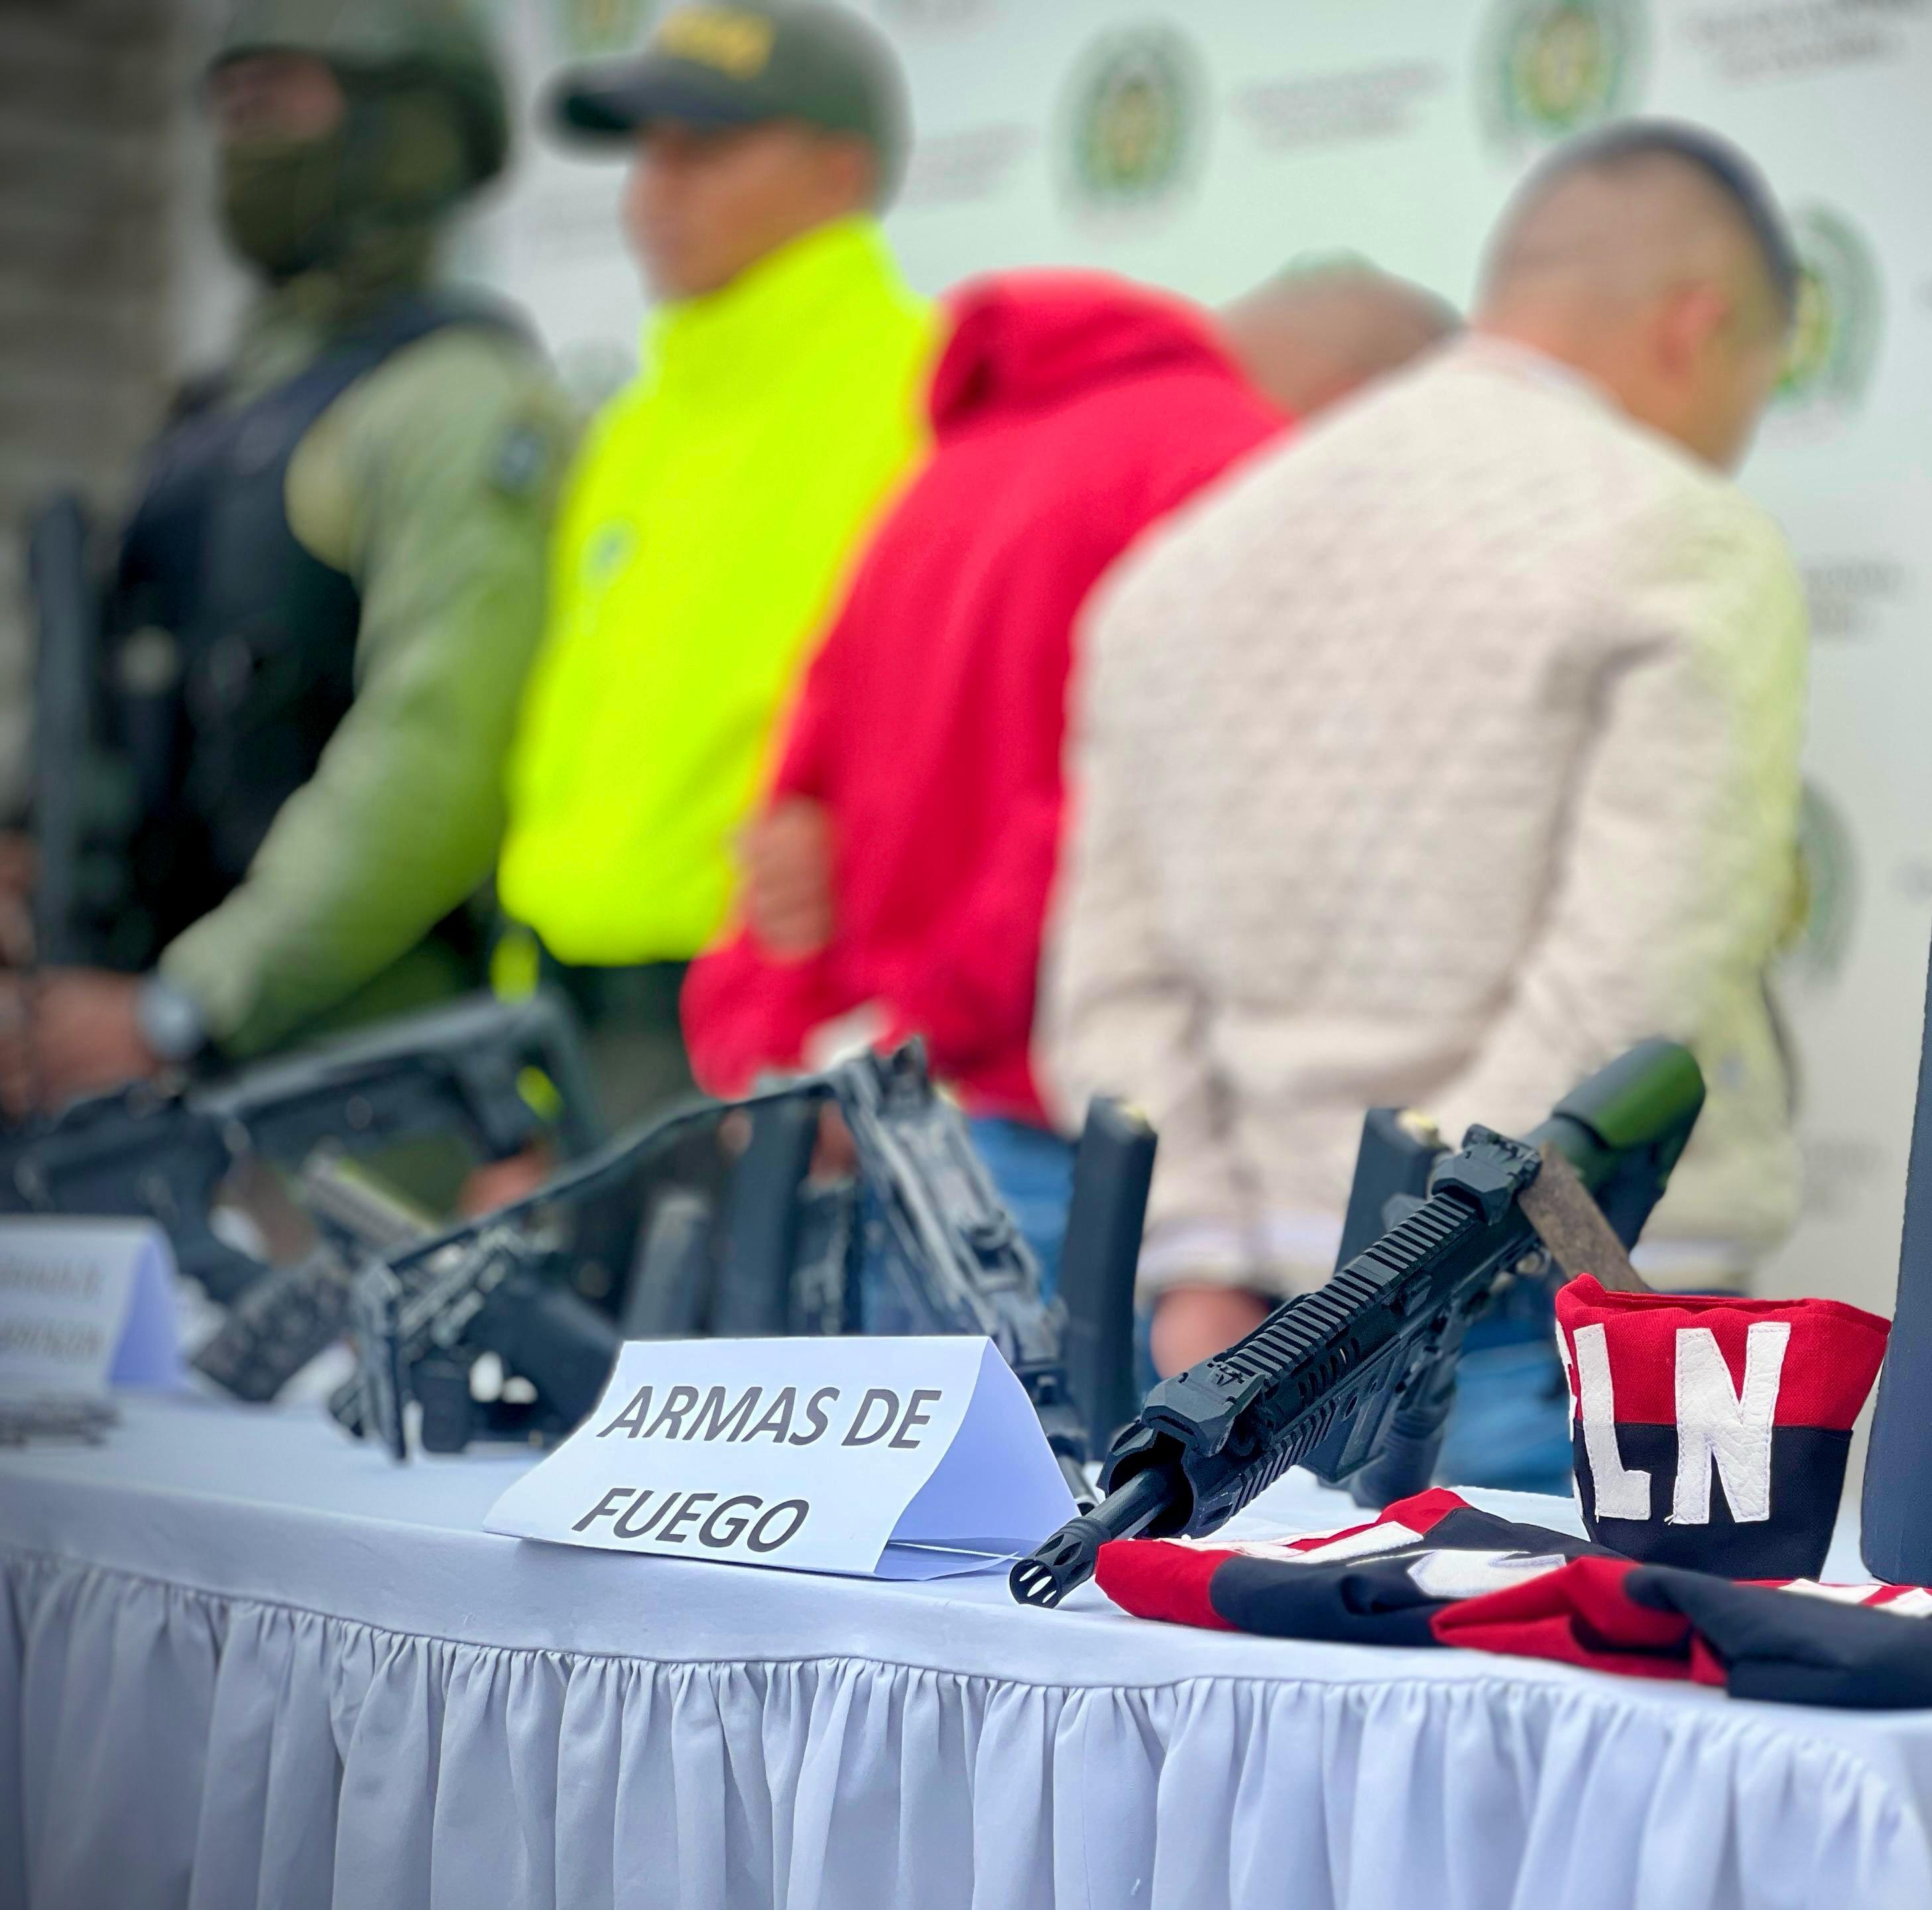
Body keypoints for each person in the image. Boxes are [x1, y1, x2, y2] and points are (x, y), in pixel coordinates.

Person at [1040, 121, 1809, 1487]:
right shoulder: (1687, 537)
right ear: (1703, 326)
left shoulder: (1179, 569)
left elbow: (1111, 990)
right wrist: (1402, 1269)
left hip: (1246, 1334)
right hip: (1567, 1327)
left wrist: (1207, 1259)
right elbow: (1643, 985)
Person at [680, 263, 1454, 1284]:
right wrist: (910, 1038)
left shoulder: (939, 482)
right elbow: (1097, 836)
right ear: (1374, 411)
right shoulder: (1236, 471)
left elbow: (791, 823)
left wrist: (797, 1062)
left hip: (915, 1152)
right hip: (1113, 1160)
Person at [0, 0, 569, 1116]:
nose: (242, 132)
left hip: (347, 1080)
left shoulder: (455, 404)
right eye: (229, 103)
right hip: (127, 1053)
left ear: (409, 128)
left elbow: (434, 760)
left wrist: (189, 1005)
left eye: (282, 98)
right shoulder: (220, 409)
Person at [495, 0, 937, 1130]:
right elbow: (574, 754)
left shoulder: (924, 394)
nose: (654, 191)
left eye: (704, 151)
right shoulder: (636, 424)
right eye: (647, 154)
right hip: (570, 1015)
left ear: (840, 171)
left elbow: (932, 741)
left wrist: (833, 1019)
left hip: (763, 1029)